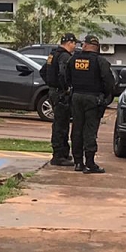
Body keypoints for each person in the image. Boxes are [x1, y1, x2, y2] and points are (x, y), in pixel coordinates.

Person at [64, 35, 116, 174]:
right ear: (97, 47)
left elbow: (66, 77)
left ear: (86, 45)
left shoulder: (73, 59)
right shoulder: (101, 61)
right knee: (90, 131)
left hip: (76, 97)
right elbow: (109, 82)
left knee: (77, 130)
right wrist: (105, 97)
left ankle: (78, 163)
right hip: (93, 99)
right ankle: (90, 163)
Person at [41, 33, 78, 166]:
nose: (75, 46)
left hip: (53, 92)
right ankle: (58, 155)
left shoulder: (53, 54)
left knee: (60, 123)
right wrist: (65, 88)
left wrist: (51, 85)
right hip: (61, 94)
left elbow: (43, 71)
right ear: (69, 43)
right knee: (61, 125)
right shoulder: (64, 56)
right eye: (74, 43)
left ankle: (63, 153)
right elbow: (63, 73)